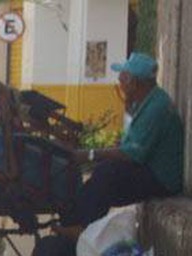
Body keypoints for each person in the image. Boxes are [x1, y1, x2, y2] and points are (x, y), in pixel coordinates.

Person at [56, 52, 184, 240]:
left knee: (108, 174)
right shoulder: (148, 102)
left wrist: (89, 154)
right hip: (150, 170)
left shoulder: (156, 108)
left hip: (162, 179)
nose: (119, 83)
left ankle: (84, 227)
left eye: (123, 78)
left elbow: (132, 154)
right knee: (100, 175)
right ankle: (74, 222)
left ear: (134, 83)